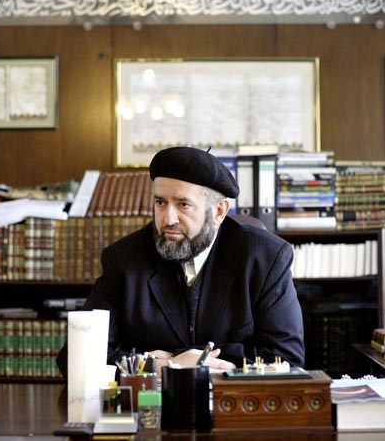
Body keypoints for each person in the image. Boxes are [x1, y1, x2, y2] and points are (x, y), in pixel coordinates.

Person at [57, 146, 304, 378]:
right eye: (160, 202)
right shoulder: (123, 259)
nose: (168, 219)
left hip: (232, 404)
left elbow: (287, 360)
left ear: (219, 212)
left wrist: (178, 360)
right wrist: (163, 366)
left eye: (183, 205)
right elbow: (74, 360)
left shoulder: (265, 257)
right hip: (152, 406)